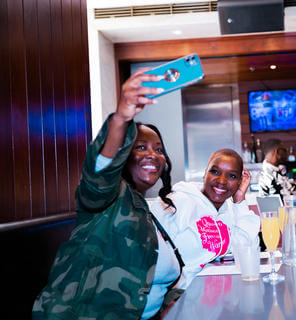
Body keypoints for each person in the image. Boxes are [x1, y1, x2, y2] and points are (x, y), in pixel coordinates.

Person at [32, 69, 183, 319]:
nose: (153, 155)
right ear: (124, 156)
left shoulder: (146, 211)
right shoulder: (109, 199)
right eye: (141, 147)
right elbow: (98, 173)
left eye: (158, 149)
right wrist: (121, 119)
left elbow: (153, 284)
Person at [151, 148, 260, 288]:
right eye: (215, 172)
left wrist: (239, 201)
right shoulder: (177, 202)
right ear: (205, 173)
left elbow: (247, 249)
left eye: (232, 176)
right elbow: (149, 256)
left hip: (212, 297)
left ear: (240, 182)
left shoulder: (229, 209)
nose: (221, 181)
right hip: (176, 297)